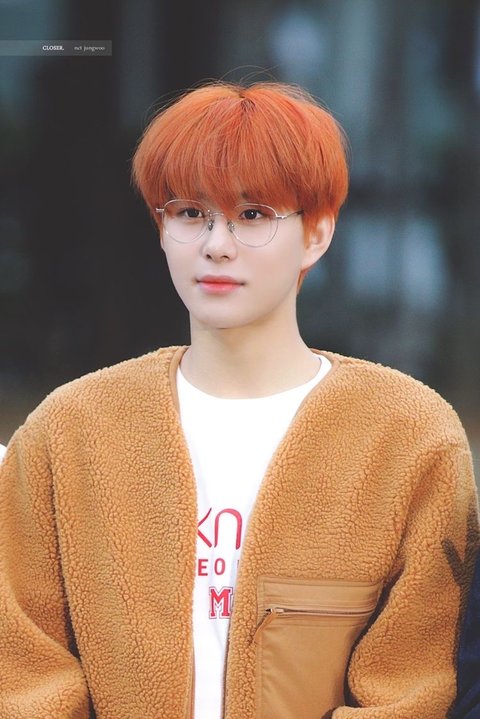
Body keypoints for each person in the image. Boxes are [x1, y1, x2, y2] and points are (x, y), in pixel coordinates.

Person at [0, 81, 478, 719]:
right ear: (161, 227)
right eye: (189, 213)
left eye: (253, 215)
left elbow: (411, 686)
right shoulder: (71, 431)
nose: (216, 244)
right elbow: (25, 670)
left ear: (317, 232)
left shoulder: (407, 436)